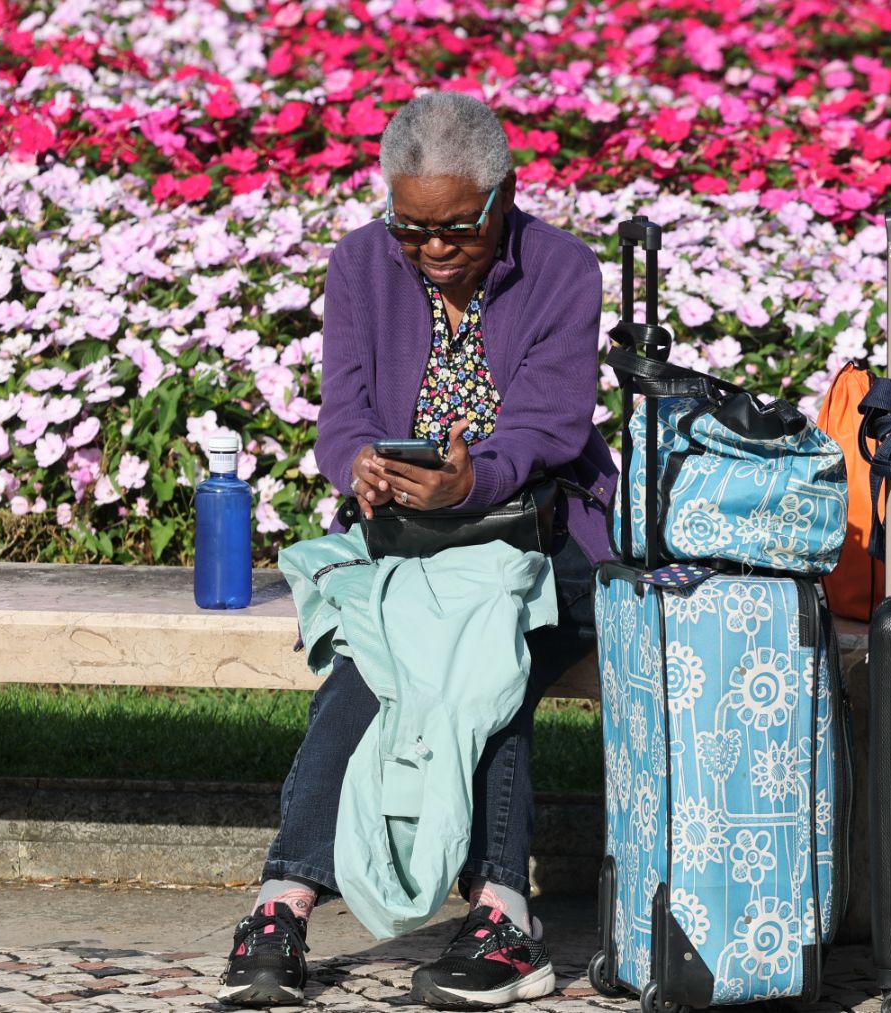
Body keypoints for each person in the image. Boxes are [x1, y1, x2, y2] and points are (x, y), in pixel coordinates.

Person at [218, 91, 617, 1010]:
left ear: (503, 197)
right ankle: (299, 903)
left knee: (487, 642)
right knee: (397, 647)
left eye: (454, 229)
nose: (432, 250)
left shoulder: (563, 270)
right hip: (406, 543)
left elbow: (547, 430)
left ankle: (484, 910)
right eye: (411, 229)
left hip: (540, 536)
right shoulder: (360, 264)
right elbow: (343, 414)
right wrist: (358, 465)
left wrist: (468, 483)